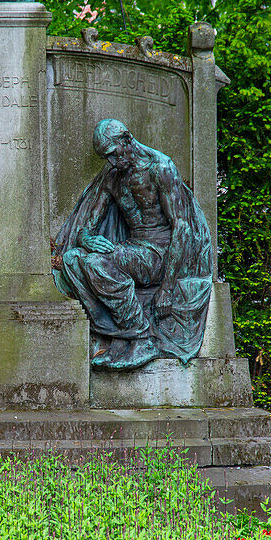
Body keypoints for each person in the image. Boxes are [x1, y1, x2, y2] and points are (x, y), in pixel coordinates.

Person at [53, 119, 213, 370]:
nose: (113, 162)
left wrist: (167, 289)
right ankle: (121, 334)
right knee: (72, 260)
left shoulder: (161, 168)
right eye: (107, 158)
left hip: (160, 253)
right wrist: (87, 239)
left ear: (126, 140)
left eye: (114, 154)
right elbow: (88, 225)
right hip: (133, 249)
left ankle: (142, 338)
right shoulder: (113, 175)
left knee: (95, 262)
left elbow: (182, 228)